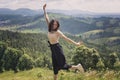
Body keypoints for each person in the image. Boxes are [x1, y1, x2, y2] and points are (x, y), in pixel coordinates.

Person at [43, 4, 84, 80]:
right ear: (51, 24)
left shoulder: (58, 32)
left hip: (57, 49)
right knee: (55, 68)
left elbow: (67, 39)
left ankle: (77, 67)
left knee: (63, 66)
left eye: (56, 25)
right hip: (52, 49)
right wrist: (44, 9)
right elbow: (46, 17)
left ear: (57, 25)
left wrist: (76, 44)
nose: (54, 26)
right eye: (53, 24)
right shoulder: (49, 29)